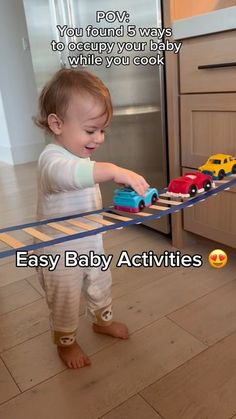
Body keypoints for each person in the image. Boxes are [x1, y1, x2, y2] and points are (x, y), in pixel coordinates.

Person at [35, 68, 149, 369]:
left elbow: (85, 178)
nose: (98, 138)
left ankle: (101, 321)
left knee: (101, 283)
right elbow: (70, 176)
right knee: (66, 299)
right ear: (57, 124)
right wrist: (112, 170)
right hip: (58, 252)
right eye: (90, 130)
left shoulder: (82, 157)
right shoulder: (51, 160)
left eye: (103, 130)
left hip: (89, 240)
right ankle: (66, 342)